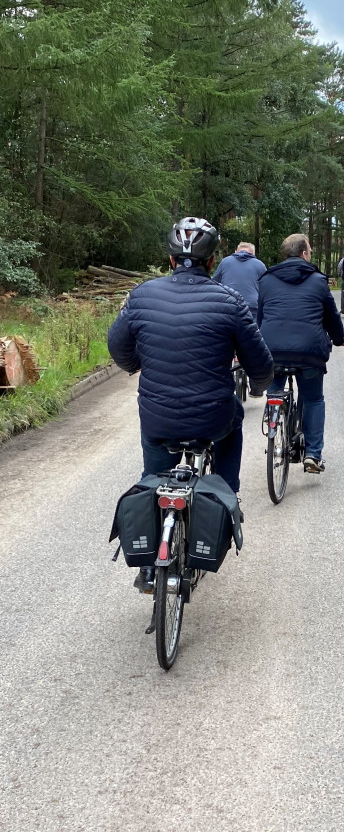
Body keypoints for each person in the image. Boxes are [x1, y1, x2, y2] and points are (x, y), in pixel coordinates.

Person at [108, 217, 274, 591]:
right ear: (213, 261)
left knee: (153, 470)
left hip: (158, 416)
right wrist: (261, 387)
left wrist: (137, 363)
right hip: (212, 416)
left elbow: (118, 347)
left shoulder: (142, 295)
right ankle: (227, 494)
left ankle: (150, 562)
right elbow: (260, 365)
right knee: (232, 427)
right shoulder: (229, 300)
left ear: (169, 259)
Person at [255, 232, 344, 473]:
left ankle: (273, 412)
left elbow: (260, 318)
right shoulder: (318, 281)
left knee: (274, 385)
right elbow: (332, 317)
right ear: (304, 254)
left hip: (272, 349)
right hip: (309, 352)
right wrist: (339, 339)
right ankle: (313, 455)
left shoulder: (265, 280)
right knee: (314, 398)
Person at [212, 241, 268, 396]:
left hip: (226, 307)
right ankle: (256, 388)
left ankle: (221, 383)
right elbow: (266, 289)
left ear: (236, 251)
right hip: (251, 308)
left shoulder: (225, 262)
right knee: (254, 344)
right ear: (253, 253)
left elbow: (213, 283)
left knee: (223, 344)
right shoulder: (259, 265)